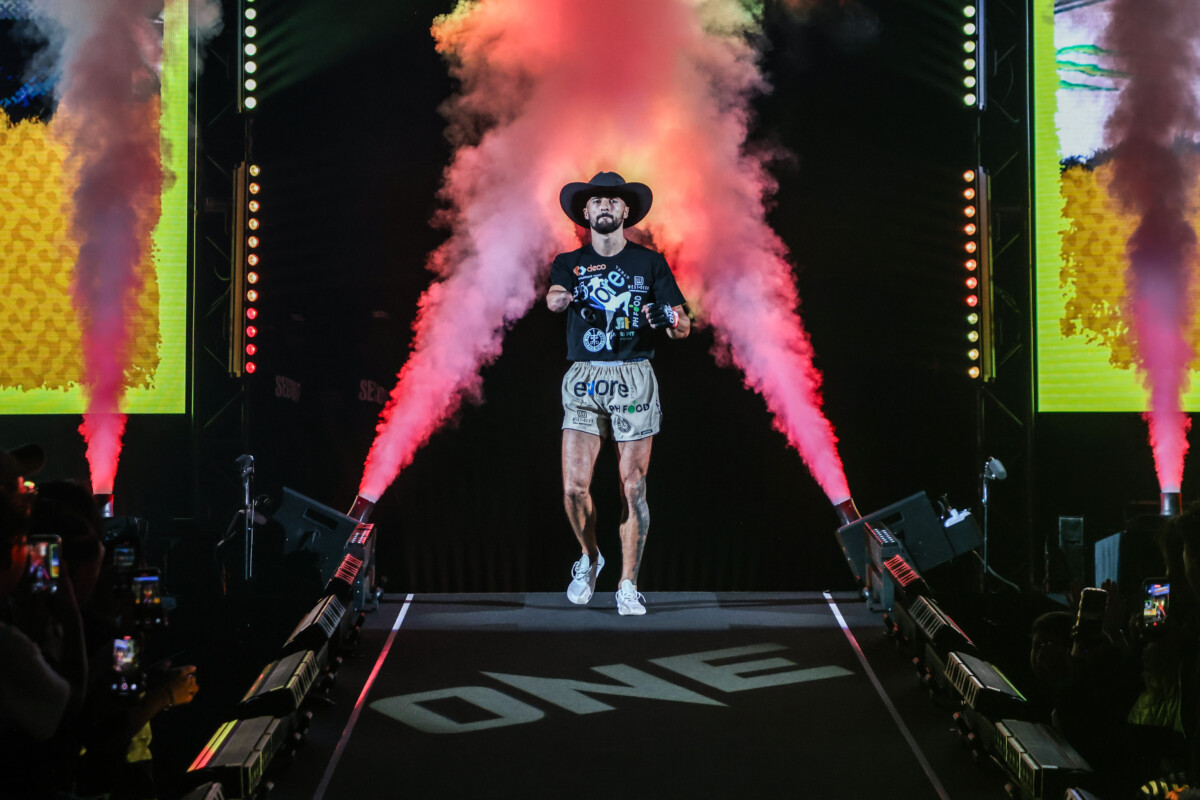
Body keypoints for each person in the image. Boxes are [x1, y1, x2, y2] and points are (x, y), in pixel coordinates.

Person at [546, 171, 690, 616]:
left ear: (626, 210)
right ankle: (590, 558)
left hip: (633, 376)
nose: (605, 205)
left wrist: (667, 316)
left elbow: (683, 326)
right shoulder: (569, 262)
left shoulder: (650, 263)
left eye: (613, 200)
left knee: (633, 487)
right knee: (574, 487)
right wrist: (561, 298)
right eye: (597, 200)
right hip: (585, 378)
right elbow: (554, 297)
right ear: (585, 212)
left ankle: (628, 583)